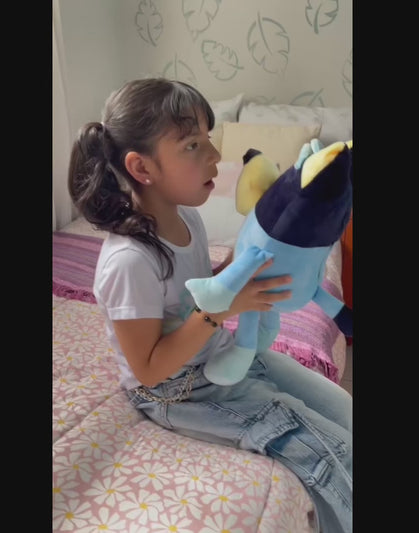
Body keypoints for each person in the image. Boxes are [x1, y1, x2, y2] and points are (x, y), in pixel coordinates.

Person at [68, 78, 352, 533]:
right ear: (142, 167)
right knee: (331, 455)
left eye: (208, 139)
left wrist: (243, 264)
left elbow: (199, 289)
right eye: (192, 145)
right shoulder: (128, 261)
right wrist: (222, 309)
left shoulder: (188, 218)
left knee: (343, 411)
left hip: (222, 356)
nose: (216, 155)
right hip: (178, 394)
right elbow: (148, 370)